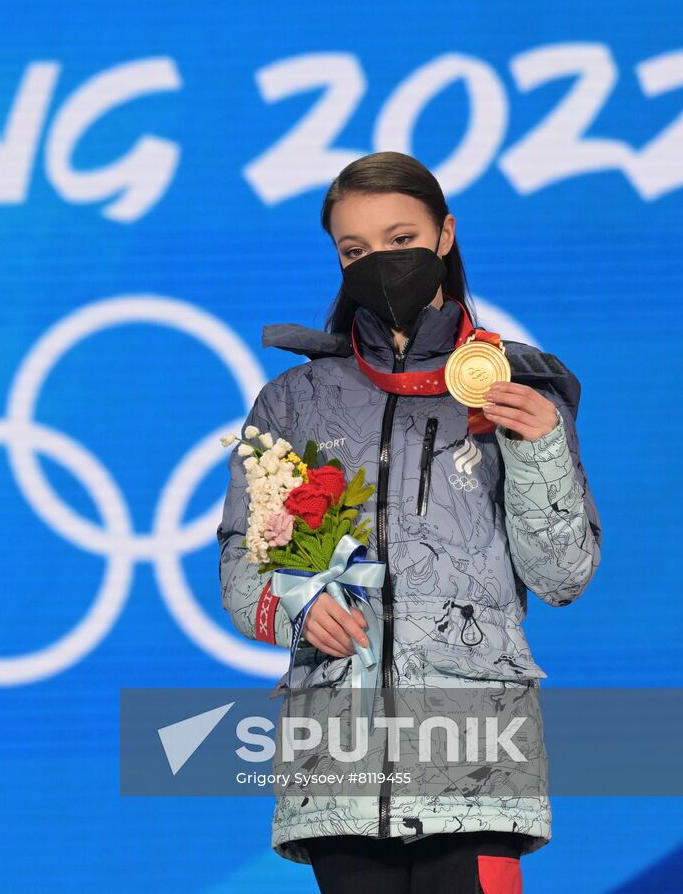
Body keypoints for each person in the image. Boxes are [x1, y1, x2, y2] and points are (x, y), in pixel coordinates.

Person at [218, 151, 600, 893]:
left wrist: (539, 449)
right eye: (354, 251)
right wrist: (298, 609)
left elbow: (563, 575)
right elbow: (243, 565)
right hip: (337, 761)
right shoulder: (293, 401)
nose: (380, 264)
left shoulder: (520, 387)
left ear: (446, 235)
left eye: (401, 240)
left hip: (479, 756)